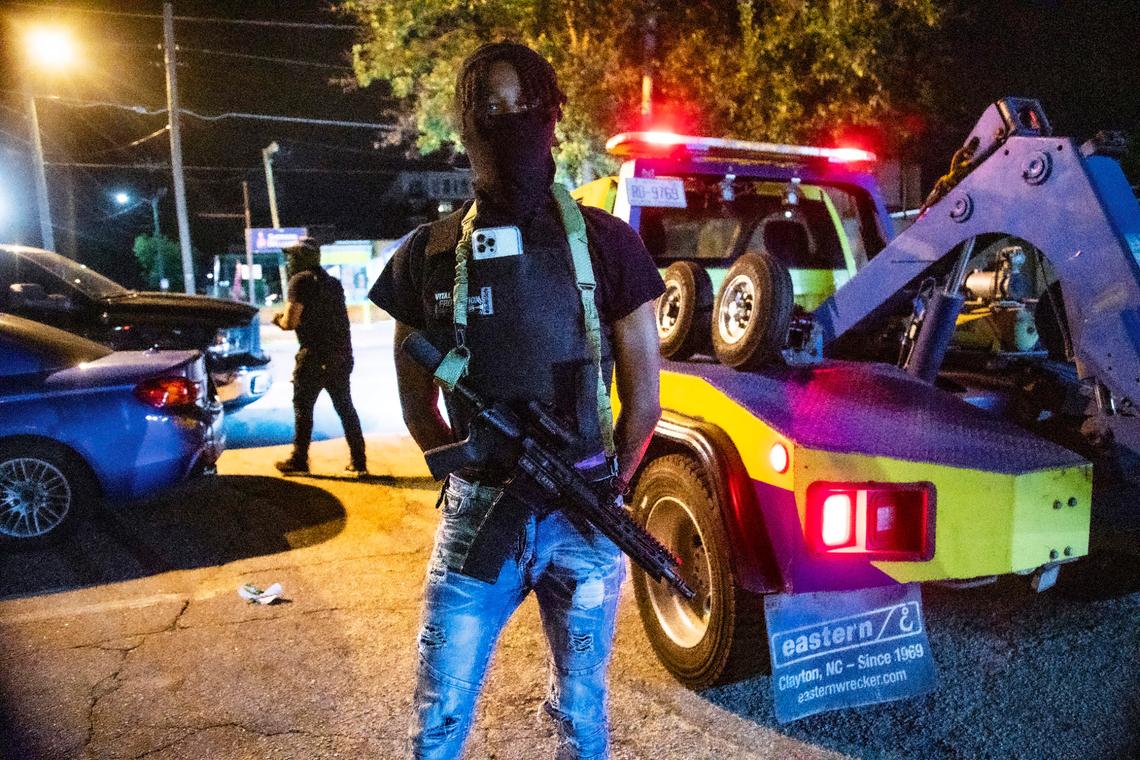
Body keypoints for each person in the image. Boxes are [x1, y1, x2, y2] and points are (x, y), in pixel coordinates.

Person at [369, 41, 664, 759]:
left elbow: (644, 399)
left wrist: (606, 484)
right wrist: (468, 465)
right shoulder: (428, 251)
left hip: (586, 510)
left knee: (583, 717)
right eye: (488, 107)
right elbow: (416, 404)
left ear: (550, 115)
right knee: (438, 720)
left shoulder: (608, 243)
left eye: (520, 105)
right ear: (465, 124)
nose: (506, 120)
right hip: (482, 515)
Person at [273, 236, 368, 476]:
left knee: (303, 409)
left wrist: (278, 320)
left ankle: (299, 460)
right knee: (346, 407)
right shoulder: (333, 283)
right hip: (340, 356)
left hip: (314, 356)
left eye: (293, 256)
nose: (289, 261)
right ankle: (359, 461)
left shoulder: (300, 281)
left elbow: (290, 321)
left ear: (302, 259)